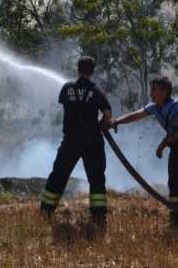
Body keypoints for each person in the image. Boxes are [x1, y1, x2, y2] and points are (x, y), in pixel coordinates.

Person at [113, 76, 178, 228]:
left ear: (164, 92)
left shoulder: (176, 107)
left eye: (154, 90)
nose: (151, 93)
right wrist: (117, 121)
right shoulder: (154, 107)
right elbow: (137, 115)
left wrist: (164, 143)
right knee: (175, 181)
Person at [40, 56, 113, 226]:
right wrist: (102, 124)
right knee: (96, 179)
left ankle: (46, 211)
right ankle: (99, 217)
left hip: (71, 140)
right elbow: (108, 114)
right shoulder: (96, 91)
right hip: (93, 141)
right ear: (92, 71)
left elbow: (66, 105)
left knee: (59, 175)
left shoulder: (67, 89)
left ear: (77, 69)